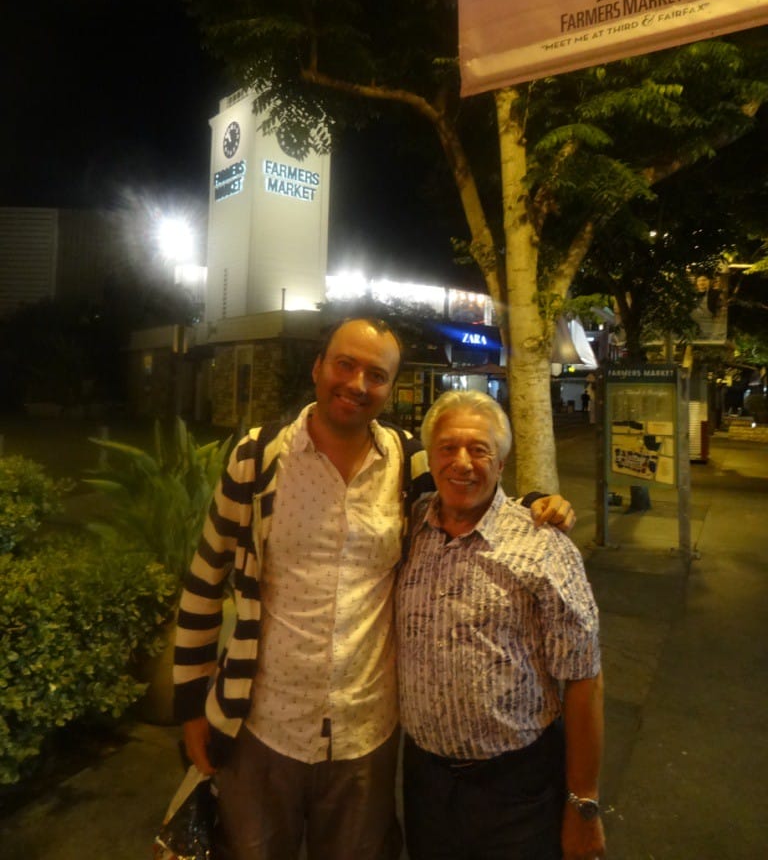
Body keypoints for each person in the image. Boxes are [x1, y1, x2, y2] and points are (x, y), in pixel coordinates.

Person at [174, 318, 576, 860]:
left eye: (376, 375)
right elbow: (205, 580)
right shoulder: (257, 458)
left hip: (365, 730)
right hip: (262, 724)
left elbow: (472, 492)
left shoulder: (408, 464)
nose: (357, 384)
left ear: (389, 388)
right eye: (345, 365)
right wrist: (191, 706)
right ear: (318, 368)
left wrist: (535, 506)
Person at [396, 390, 604, 860]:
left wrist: (584, 803)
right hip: (425, 783)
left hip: (518, 789)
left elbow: (584, 679)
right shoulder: (411, 528)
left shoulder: (543, 546)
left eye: (479, 450)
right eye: (448, 448)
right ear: (430, 458)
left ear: (502, 463)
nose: (462, 463)